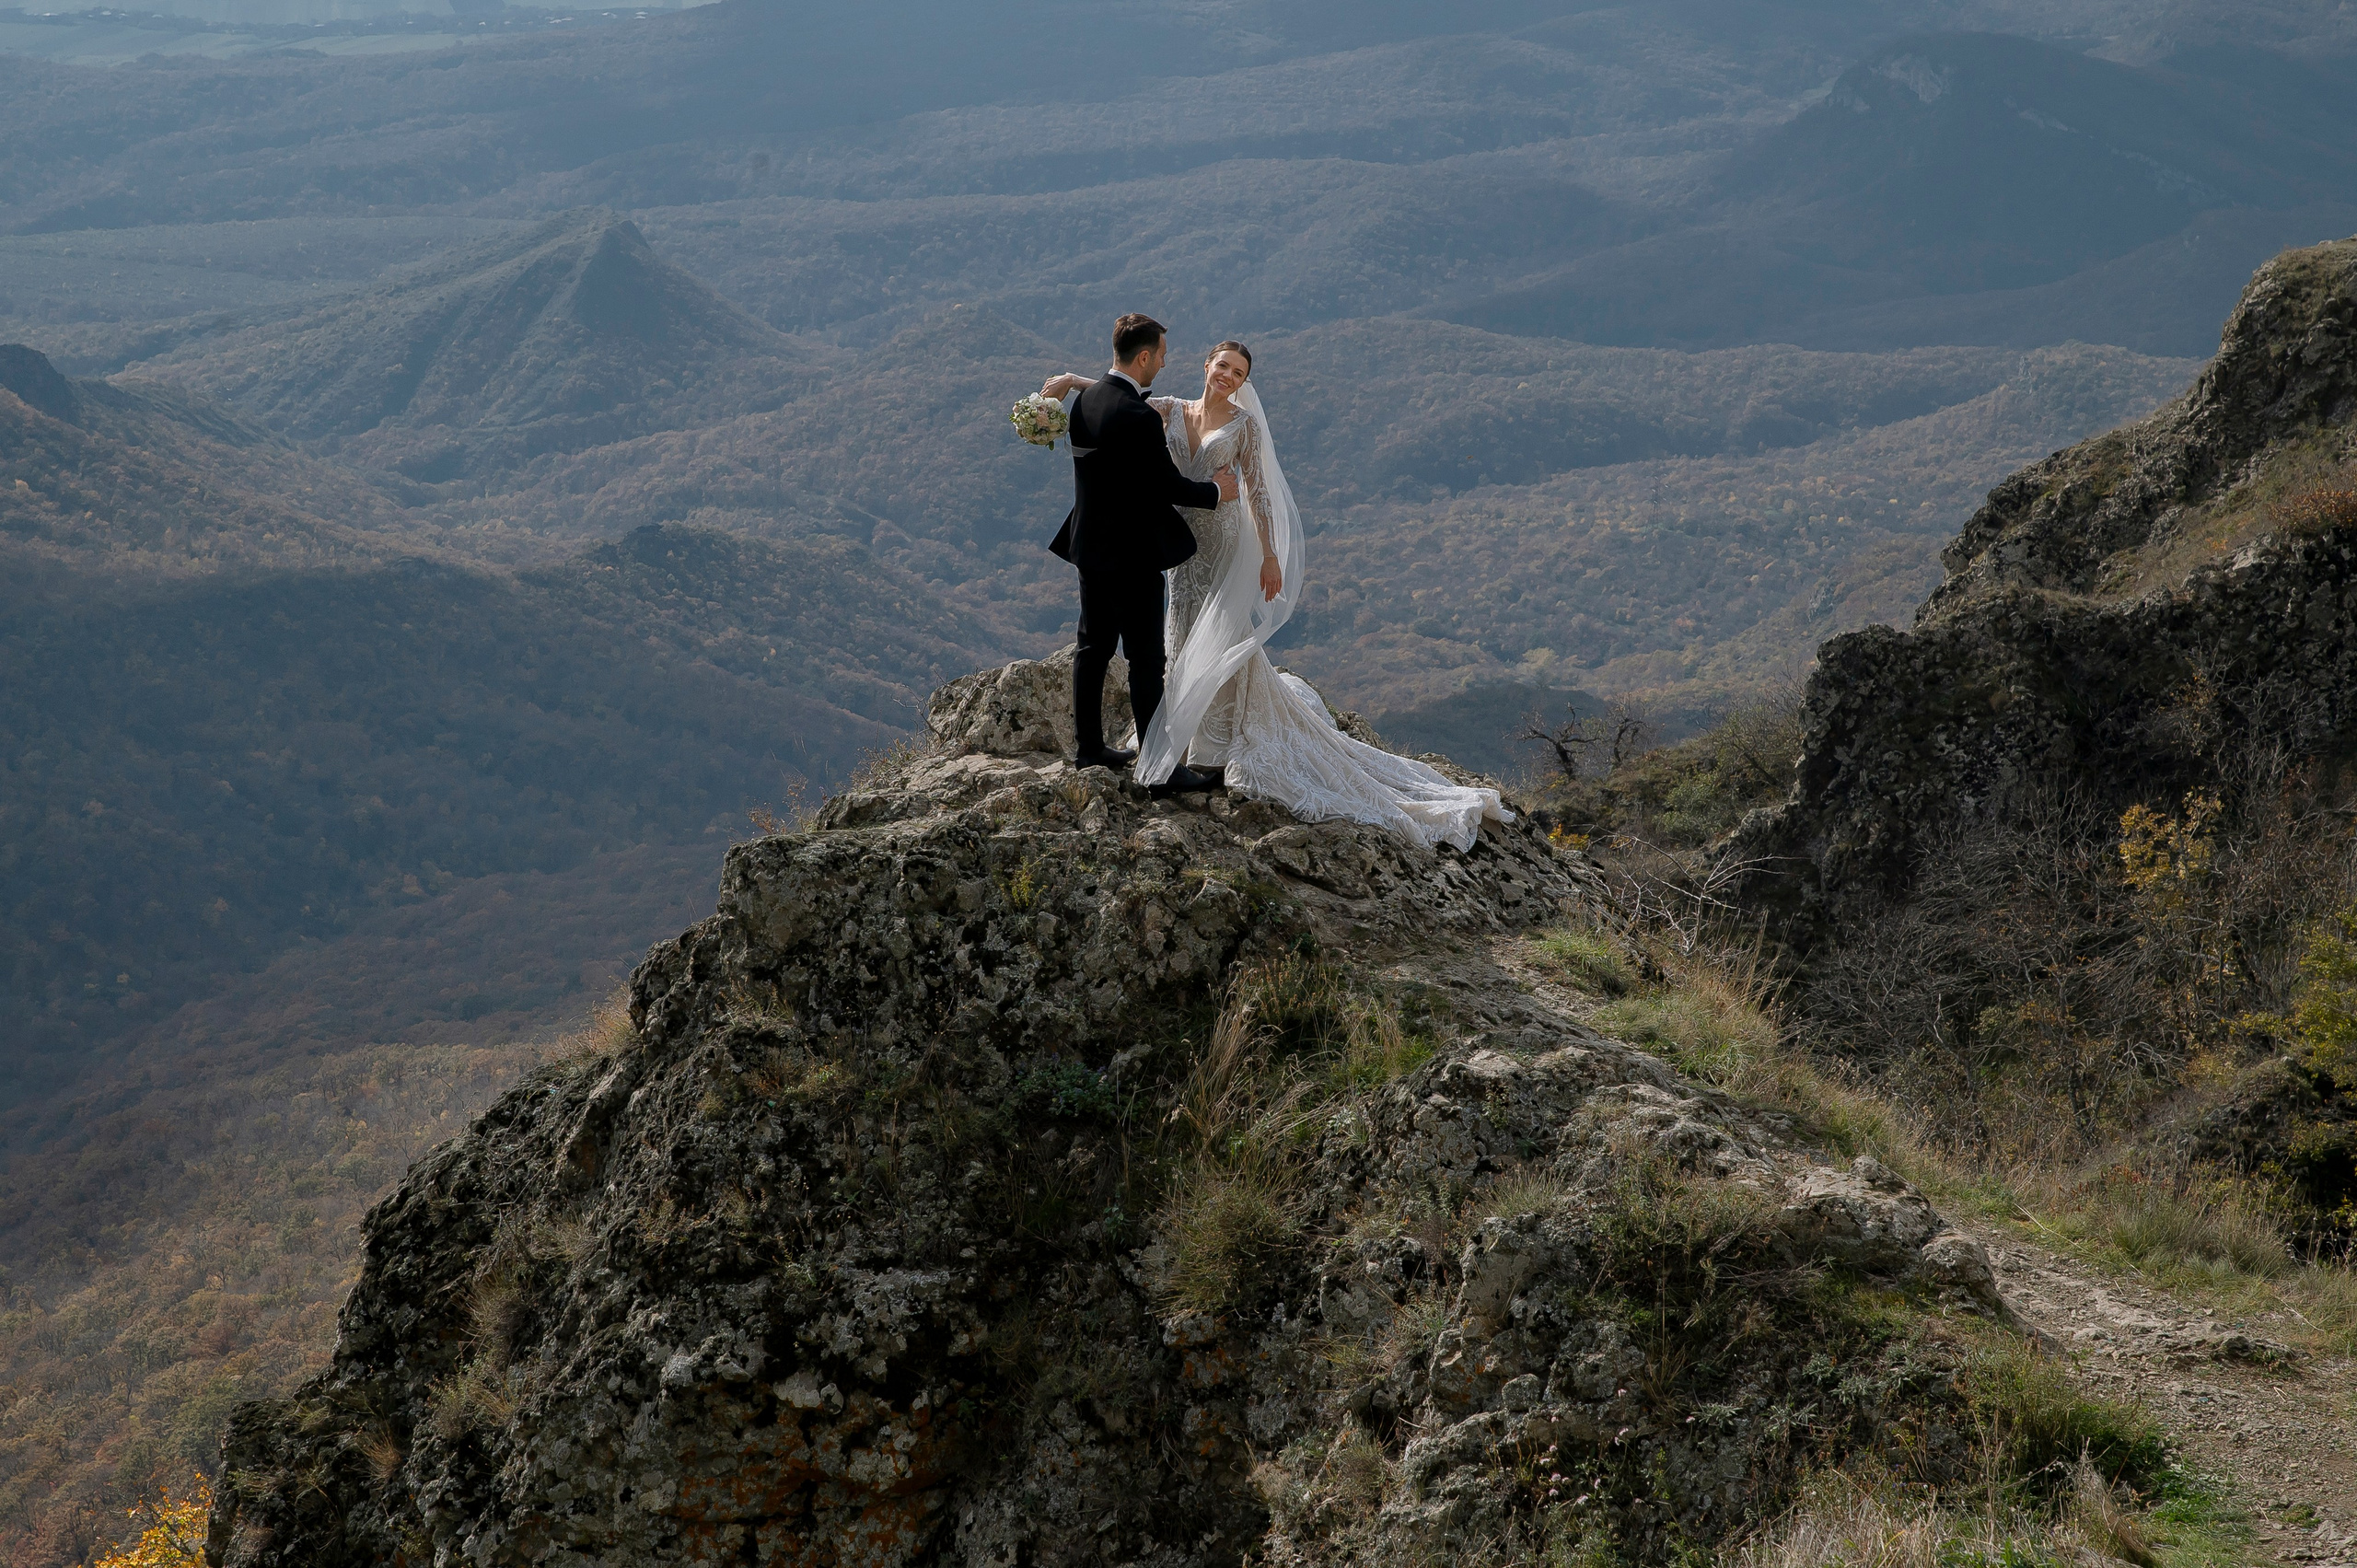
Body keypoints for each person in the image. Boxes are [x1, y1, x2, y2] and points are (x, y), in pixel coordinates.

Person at [1040, 342, 1509, 851]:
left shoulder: (1244, 427)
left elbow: (1259, 491)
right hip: (1176, 545)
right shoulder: (1171, 409)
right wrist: (1070, 382)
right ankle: (1185, 738)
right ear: (1207, 366)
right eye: (1222, 366)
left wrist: (1268, 557)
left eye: (1238, 373)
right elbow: (1117, 395)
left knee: (1222, 635)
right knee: (1180, 633)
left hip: (1221, 540)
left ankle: (1216, 743)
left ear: (1244, 382)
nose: (1228, 376)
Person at [1048, 313, 1237, 791]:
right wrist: (1217, 491)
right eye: (1163, 356)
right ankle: (1158, 769)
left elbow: (1116, 435)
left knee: (1092, 648)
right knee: (1147, 660)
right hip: (1132, 555)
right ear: (1146, 356)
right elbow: (1165, 485)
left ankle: (1089, 750)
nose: (1165, 364)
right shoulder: (1136, 418)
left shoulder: (1086, 400)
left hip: (1089, 545)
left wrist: (1072, 380)